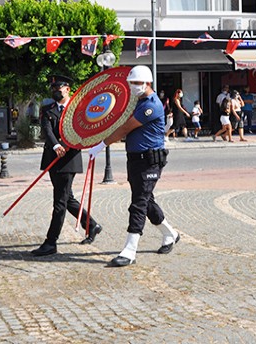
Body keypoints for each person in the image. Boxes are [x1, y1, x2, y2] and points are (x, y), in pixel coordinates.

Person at [88, 66, 178, 267]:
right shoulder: (139, 102)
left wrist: (102, 145)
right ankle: (170, 233)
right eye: (131, 84)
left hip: (149, 161)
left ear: (148, 83)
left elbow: (125, 128)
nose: (133, 87)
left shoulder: (151, 105)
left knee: (138, 203)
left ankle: (130, 250)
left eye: (137, 83)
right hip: (136, 160)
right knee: (147, 201)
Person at [30, 75, 103, 257]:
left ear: (68, 89)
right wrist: (56, 145)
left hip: (68, 160)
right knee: (67, 198)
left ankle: (51, 242)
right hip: (52, 158)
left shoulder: (78, 110)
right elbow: (46, 129)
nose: (55, 91)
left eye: (59, 88)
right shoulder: (48, 109)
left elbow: (84, 131)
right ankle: (92, 225)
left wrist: (68, 144)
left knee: (59, 202)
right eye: (53, 88)